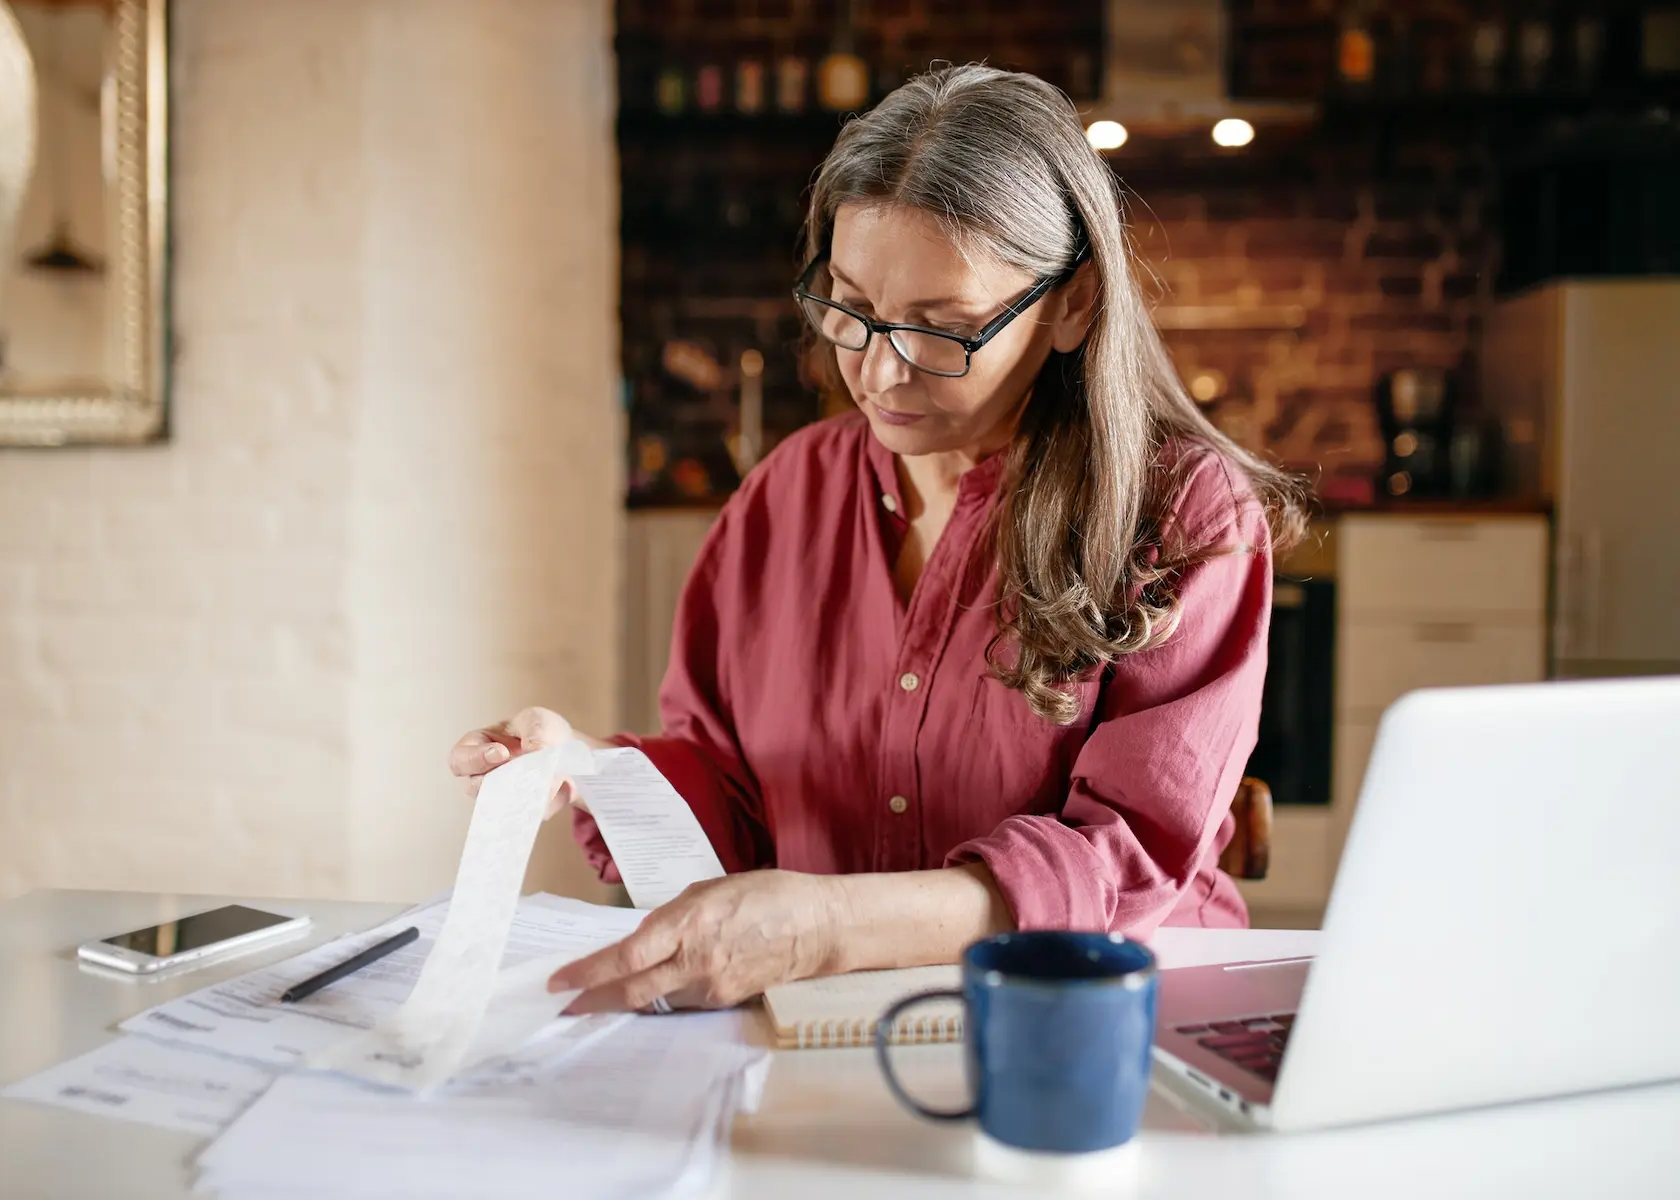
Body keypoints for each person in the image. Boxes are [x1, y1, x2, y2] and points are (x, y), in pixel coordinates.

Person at [450, 64, 1304, 1015]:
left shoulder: (1182, 512)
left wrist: (825, 927)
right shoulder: (787, 496)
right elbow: (734, 787)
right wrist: (586, 770)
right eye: (851, 307)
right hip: (826, 1017)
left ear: (1073, 304)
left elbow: (1124, 860)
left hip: (1091, 1018)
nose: (879, 371)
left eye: (945, 329)